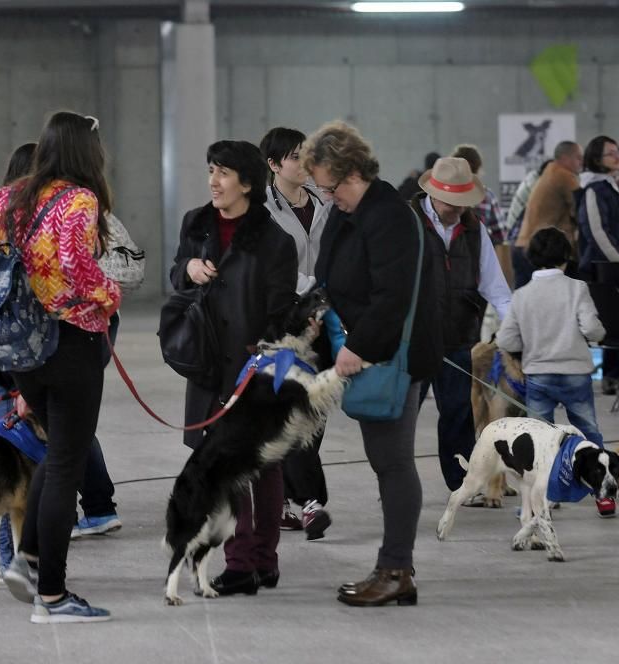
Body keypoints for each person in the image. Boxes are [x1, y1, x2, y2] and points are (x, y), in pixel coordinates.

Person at [0, 111, 121, 622]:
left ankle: (28, 561)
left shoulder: (14, 195)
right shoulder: (80, 200)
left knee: (53, 455)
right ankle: (53, 596)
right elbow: (75, 269)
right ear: (88, 152)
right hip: (71, 345)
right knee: (66, 460)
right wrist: (108, 294)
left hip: (21, 351)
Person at [306, 120, 438, 607]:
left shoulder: (390, 216)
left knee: (393, 462)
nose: (328, 196)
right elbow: (333, 275)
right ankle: (394, 567)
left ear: (354, 171)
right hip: (367, 347)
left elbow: (392, 296)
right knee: (386, 462)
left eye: (331, 186)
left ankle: (396, 569)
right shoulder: (351, 213)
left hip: (392, 356)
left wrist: (357, 346)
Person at [168, 139, 297, 595]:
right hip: (208, 364)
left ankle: (260, 559)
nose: (213, 181)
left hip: (254, 369)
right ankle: (244, 562)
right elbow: (174, 277)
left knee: (262, 463)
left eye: (223, 173)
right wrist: (188, 268)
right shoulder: (197, 225)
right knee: (225, 464)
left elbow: (283, 313)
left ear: (247, 182)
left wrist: (261, 361)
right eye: (210, 171)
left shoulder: (274, 240)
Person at [495, 226, 614, 517]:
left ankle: (547, 496)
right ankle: (603, 495)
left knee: (540, 439)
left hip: (539, 377)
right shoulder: (577, 288)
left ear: (532, 258)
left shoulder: (522, 295)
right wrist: (599, 333)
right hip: (575, 375)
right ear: (566, 257)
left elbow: (506, 340)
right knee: (588, 432)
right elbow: (592, 329)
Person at [411, 157, 511, 495]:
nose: (457, 209)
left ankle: (461, 484)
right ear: (433, 194)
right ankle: (397, 481)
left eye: (462, 203)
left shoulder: (475, 229)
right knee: (402, 417)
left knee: (457, 414)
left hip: (458, 337)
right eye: (451, 203)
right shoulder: (407, 223)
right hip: (414, 339)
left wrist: (517, 331)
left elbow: (496, 288)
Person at [260, 126, 333, 539]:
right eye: (293, 157)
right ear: (273, 165)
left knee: (318, 410)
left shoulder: (324, 200)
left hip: (324, 321)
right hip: (284, 322)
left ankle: (288, 500)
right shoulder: (264, 209)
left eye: (305, 155)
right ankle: (308, 501)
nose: (303, 164)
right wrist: (308, 286)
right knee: (292, 408)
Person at [577, 135, 619, 396]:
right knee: (613, 324)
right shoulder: (592, 188)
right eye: (611, 153)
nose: (617, 156)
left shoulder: (609, 184)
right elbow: (596, 231)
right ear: (596, 159)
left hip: (616, 261)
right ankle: (612, 377)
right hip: (603, 265)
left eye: (617, 151)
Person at [513, 141, 583, 288]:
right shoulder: (564, 176)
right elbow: (582, 211)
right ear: (565, 158)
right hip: (540, 252)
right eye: (578, 158)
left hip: (522, 246)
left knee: (525, 303)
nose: (581, 163)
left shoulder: (549, 172)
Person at [451, 144, 506, 246]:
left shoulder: (444, 195)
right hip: (479, 254)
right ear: (478, 168)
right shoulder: (487, 196)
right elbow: (500, 235)